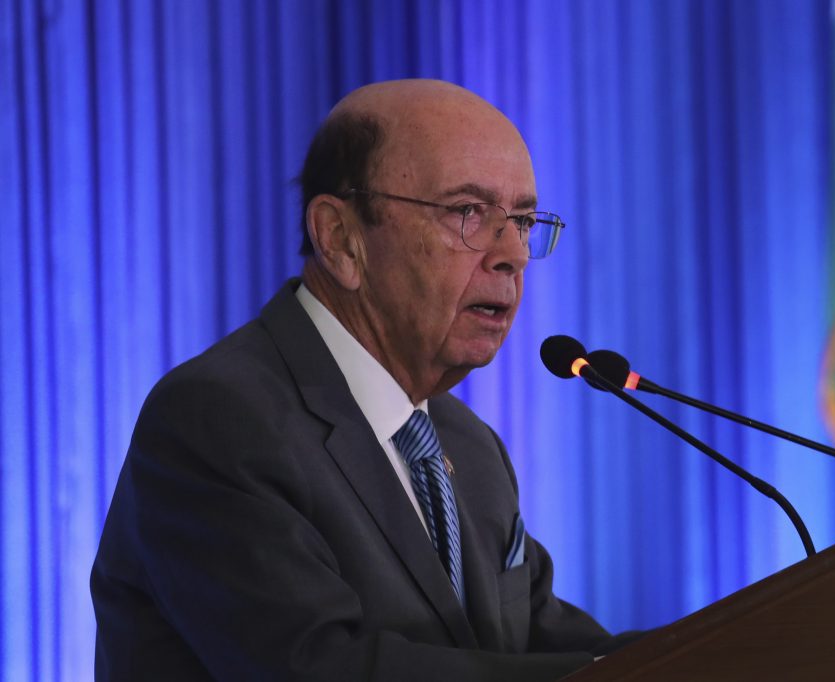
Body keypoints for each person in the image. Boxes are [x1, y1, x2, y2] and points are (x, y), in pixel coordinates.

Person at [92, 79, 635, 681]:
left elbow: (552, 645)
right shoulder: (217, 421)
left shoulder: (470, 446)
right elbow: (319, 668)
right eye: (468, 213)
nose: (513, 253)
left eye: (524, 221)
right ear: (340, 239)